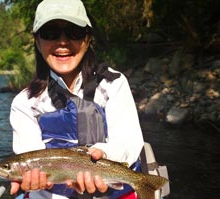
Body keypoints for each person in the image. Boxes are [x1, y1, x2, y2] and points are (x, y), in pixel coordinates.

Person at [9, 0, 144, 198]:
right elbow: (30, 155)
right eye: (50, 33)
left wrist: (103, 155)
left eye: (74, 32)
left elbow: (127, 142)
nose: (62, 42)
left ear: (88, 39)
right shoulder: (25, 102)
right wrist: (31, 180)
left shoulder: (113, 83)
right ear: (37, 42)